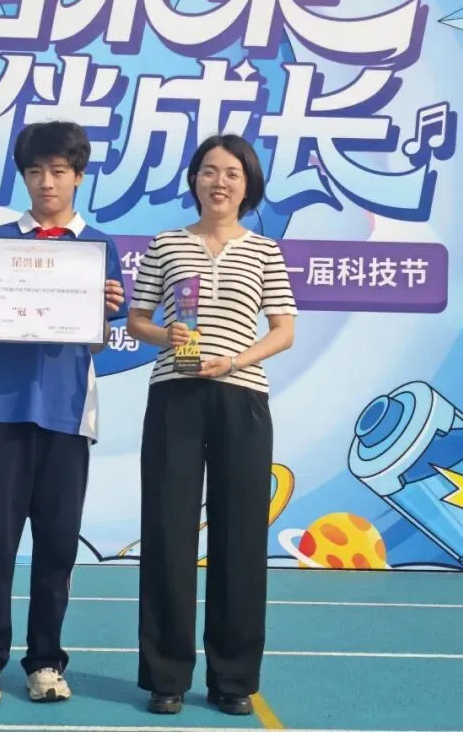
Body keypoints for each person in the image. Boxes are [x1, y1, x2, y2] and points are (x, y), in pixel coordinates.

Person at [0, 120, 127, 705]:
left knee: (58, 547)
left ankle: (45, 662)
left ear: (79, 177)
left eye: (59, 171)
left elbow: (97, 344)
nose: (48, 182)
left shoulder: (99, 247)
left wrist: (102, 313)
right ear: (23, 177)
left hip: (69, 413)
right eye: (36, 171)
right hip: (2, 409)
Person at [125, 134, 297, 716]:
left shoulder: (264, 251)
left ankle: (233, 678)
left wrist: (237, 360)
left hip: (242, 397)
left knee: (240, 537)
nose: (219, 182)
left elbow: (283, 330)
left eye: (231, 173)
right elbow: (138, 319)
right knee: (168, 532)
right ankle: (166, 676)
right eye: (208, 171)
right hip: (174, 395)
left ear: (248, 186)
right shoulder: (167, 243)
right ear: (194, 180)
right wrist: (164, 334)